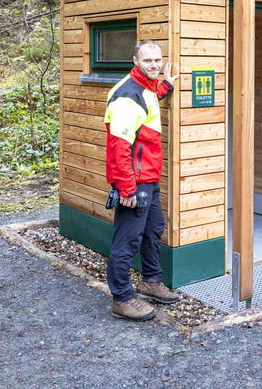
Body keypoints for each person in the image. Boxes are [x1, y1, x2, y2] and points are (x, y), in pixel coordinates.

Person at [105, 40, 181, 321]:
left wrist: (166, 86)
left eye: (157, 60)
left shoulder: (146, 88)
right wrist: (126, 187)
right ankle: (122, 297)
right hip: (134, 181)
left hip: (148, 176)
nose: (154, 65)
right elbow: (118, 146)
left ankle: (150, 281)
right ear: (135, 61)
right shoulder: (128, 96)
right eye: (148, 61)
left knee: (153, 229)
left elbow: (148, 102)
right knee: (127, 240)